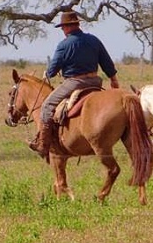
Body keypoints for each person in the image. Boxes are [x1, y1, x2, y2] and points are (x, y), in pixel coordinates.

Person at [29, 11, 120, 159]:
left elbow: (53, 69)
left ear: (67, 27)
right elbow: (106, 62)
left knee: (47, 106)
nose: (63, 30)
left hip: (74, 83)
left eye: (63, 27)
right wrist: (114, 80)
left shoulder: (64, 45)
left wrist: (48, 73)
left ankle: (43, 145)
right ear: (77, 25)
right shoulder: (94, 40)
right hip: (95, 81)